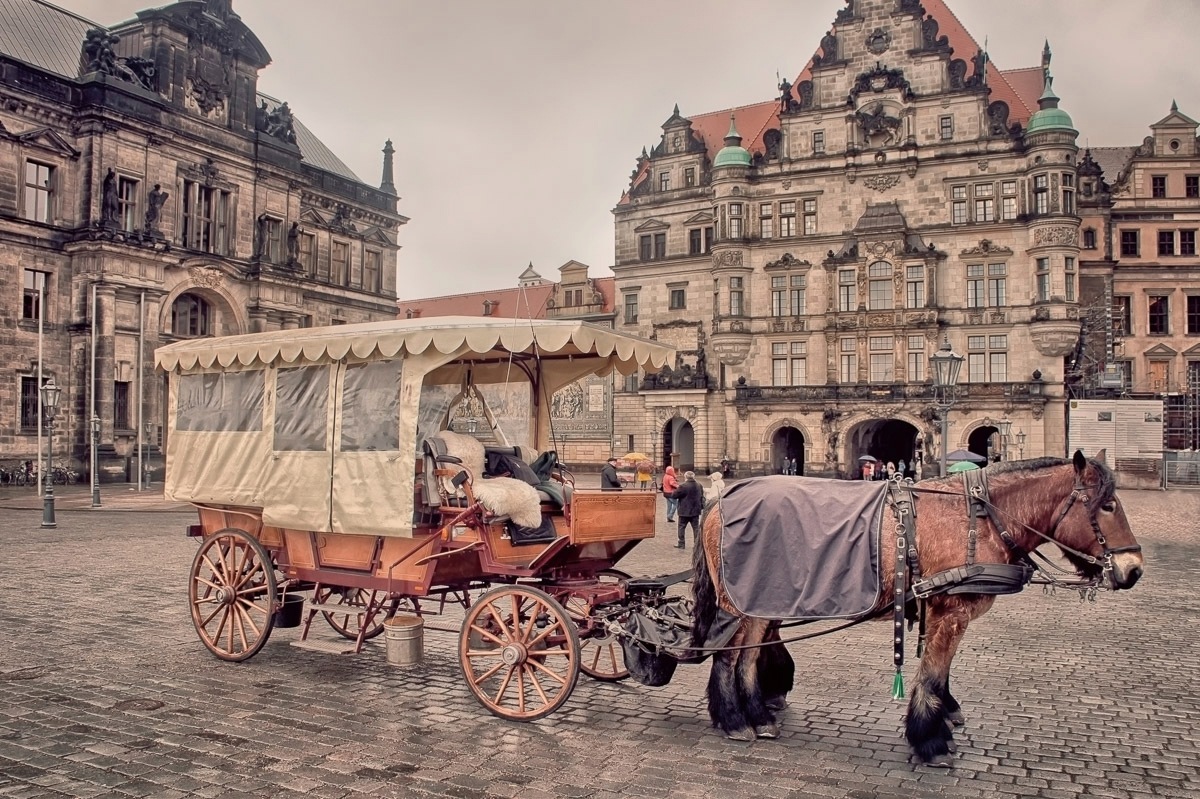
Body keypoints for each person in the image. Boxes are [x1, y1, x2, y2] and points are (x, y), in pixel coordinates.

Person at [669, 471, 704, 549]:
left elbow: (674, 495)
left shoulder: (683, 486)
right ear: (693, 477)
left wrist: (675, 490)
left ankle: (681, 543)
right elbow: (701, 496)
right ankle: (697, 544)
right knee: (696, 528)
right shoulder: (699, 485)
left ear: (686, 477)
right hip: (695, 510)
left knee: (681, 527)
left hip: (684, 510)